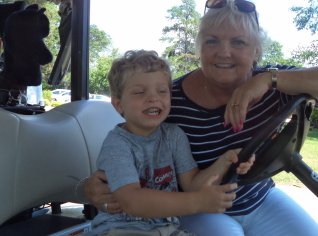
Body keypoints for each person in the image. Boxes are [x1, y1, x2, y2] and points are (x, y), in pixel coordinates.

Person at [83, 0, 318, 236]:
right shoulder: (168, 97)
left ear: (256, 52)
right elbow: (129, 150)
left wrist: (265, 81)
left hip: (259, 198)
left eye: (239, 42)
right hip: (195, 207)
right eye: (212, 41)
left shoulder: (277, 82)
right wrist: (87, 188)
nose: (224, 52)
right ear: (200, 48)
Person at [89, 49, 255, 236]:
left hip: (166, 229)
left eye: (162, 91)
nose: (153, 98)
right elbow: (131, 201)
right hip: (121, 229)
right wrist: (197, 202)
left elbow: (192, 183)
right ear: (119, 104)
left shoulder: (174, 135)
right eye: (140, 92)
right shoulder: (117, 144)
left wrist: (226, 161)